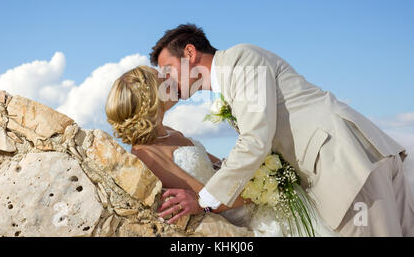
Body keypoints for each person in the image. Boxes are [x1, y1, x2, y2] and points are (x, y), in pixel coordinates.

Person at [145, 24, 414, 237]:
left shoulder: (241, 61)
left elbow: (256, 140)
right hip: (363, 158)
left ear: (190, 53)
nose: (166, 80)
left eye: (168, 69)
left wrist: (202, 200)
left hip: (345, 163)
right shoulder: (235, 77)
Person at [105, 65, 337, 236]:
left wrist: (260, 168)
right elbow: (209, 196)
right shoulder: (147, 155)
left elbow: (221, 165)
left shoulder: (168, 132)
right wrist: (261, 191)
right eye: (161, 80)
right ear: (150, 99)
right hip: (244, 215)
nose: (170, 79)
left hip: (247, 198)